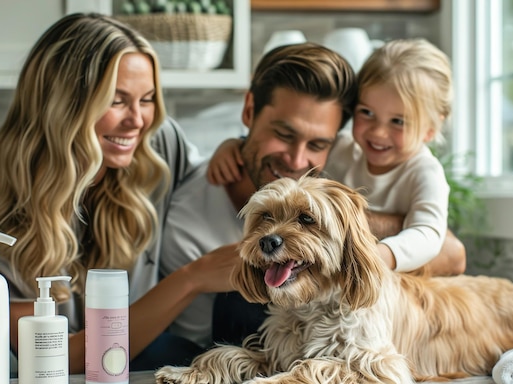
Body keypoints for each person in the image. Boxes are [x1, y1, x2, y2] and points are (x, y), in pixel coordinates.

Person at [0, 13, 238, 373]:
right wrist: (192, 278)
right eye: (117, 100)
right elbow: (59, 358)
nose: (138, 120)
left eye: (148, 99)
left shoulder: (156, 145)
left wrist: (236, 145)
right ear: (62, 104)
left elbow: (216, 181)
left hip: (146, 379)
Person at [160, 42, 466, 351]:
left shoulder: (416, 171)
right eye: (284, 134)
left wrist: (359, 244)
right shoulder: (191, 223)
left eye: (318, 144)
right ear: (249, 111)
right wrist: (232, 145)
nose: (296, 163)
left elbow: (450, 252)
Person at [210, 38, 460, 273]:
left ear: (430, 128)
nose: (378, 132)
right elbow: (282, 153)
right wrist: (233, 146)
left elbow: (427, 234)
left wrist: (376, 256)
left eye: (398, 121)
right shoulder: (343, 149)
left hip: (382, 279)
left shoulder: (425, 172)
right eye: (367, 113)